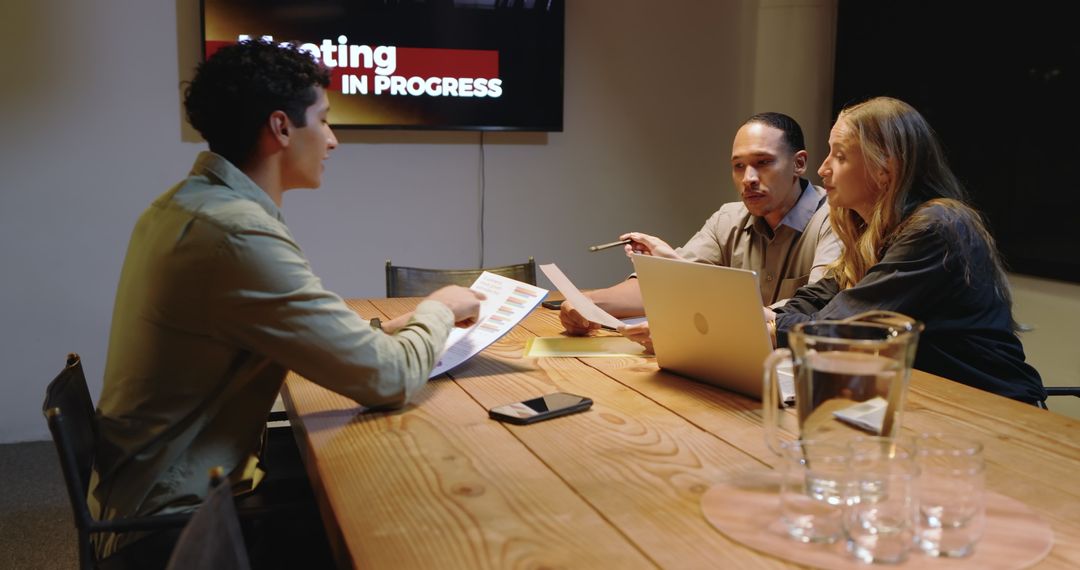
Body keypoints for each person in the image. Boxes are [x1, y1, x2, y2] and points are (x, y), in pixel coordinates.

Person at [89, 39, 484, 567]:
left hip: (150, 493)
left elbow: (300, 335)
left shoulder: (188, 206)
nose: (333, 140)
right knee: (420, 521)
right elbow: (389, 381)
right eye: (323, 121)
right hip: (173, 529)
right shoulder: (234, 234)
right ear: (280, 128)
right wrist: (440, 306)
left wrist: (392, 331)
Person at [768, 96, 1045, 404]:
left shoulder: (936, 228)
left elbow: (842, 328)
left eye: (840, 156)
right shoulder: (871, 229)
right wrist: (775, 316)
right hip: (929, 401)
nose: (822, 169)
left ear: (885, 168)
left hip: (994, 408)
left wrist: (769, 325)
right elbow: (821, 297)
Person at [560, 112, 841, 341]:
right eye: (739, 166)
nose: (748, 178)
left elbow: (813, 310)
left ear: (799, 163)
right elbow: (666, 286)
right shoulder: (728, 218)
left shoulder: (837, 220)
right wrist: (587, 304)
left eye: (763, 162)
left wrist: (680, 328)